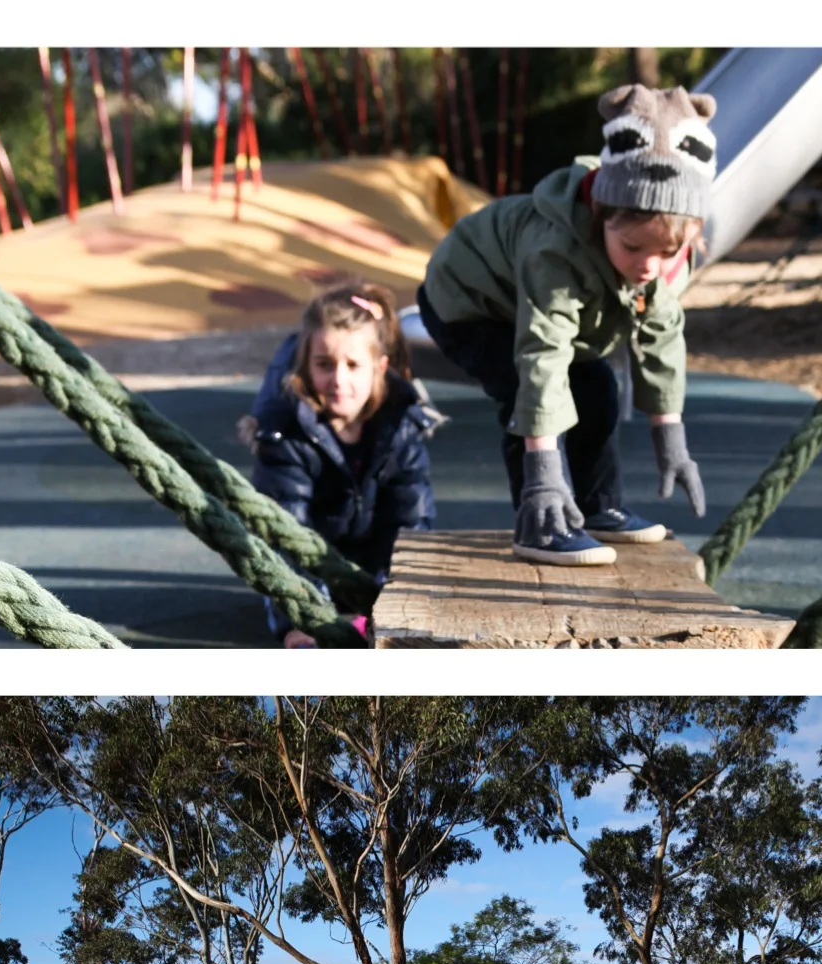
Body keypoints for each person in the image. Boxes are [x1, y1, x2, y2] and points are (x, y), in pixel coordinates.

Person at [417, 83, 713, 566]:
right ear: (602, 218)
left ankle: (599, 507)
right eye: (633, 248)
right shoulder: (555, 250)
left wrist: (671, 439)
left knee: (595, 382)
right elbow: (542, 356)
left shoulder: (661, 258)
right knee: (523, 388)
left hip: (519, 304)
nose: (648, 266)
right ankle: (540, 522)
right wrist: (545, 474)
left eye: (666, 251)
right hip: (467, 299)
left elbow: (661, 339)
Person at [244, 281, 440, 648]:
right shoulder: (285, 433)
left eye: (353, 365)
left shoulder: (401, 427)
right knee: (306, 631)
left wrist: (388, 596)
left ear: (379, 368)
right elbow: (285, 534)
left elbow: (411, 522)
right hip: (307, 573)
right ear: (305, 364)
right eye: (324, 364)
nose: (338, 380)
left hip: (370, 570)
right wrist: (305, 617)